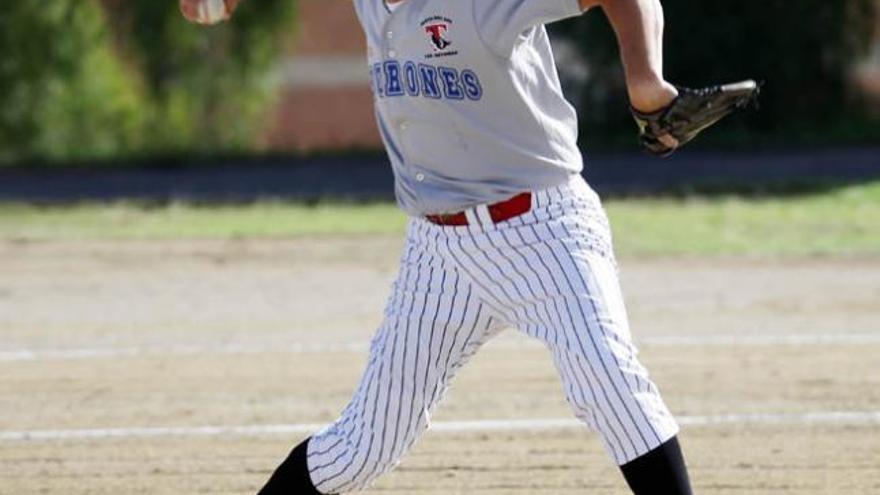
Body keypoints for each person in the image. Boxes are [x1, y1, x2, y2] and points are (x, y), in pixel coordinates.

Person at [181, 0, 756, 492]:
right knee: (361, 446)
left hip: (544, 229)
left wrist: (647, 84)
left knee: (607, 384)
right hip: (437, 252)